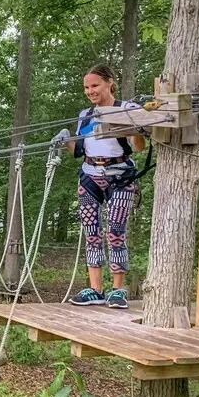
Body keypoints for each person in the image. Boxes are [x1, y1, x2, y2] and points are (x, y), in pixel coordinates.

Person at [53, 64, 146, 309]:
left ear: (109, 83)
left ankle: (118, 289)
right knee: (91, 233)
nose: (90, 91)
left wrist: (135, 129)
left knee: (115, 231)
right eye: (86, 87)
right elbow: (79, 150)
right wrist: (65, 139)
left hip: (120, 176)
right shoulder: (85, 115)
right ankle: (96, 290)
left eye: (95, 85)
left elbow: (138, 147)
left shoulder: (127, 109)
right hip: (89, 174)